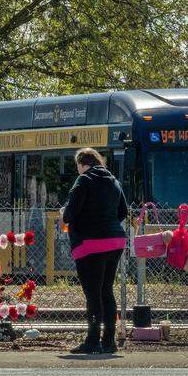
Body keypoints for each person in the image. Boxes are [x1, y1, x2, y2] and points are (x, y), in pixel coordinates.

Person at [61, 147, 128, 354]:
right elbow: (123, 212)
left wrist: (65, 213)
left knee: (93, 294)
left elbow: (69, 214)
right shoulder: (114, 181)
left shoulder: (83, 180)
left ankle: (92, 341)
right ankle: (109, 341)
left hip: (91, 244)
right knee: (106, 290)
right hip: (115, 241)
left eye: (77, 166)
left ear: (82, 164)